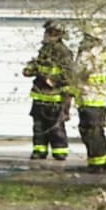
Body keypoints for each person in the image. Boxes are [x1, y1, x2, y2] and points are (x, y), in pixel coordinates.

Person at [22, 20, 75, 161]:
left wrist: (66, 104)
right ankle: (39, 151)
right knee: (38, 128)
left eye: (49, 32)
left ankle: (60, 151)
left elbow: (68, 76)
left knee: (56, 128)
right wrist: (32, 69)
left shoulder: (63, 52)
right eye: (47, 32)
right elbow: (32, 69)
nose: (46, 35)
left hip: (55, 98)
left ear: (56, 34)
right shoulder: (44, 50)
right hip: (39, 96)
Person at [75, 30, 106, 173]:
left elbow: (77, 72)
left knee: (90, 132)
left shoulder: (87, 56)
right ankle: (101, 161)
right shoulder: (104, 55)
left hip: (89, 98)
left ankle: (97, 163)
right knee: (97, 132)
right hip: (99, 100)